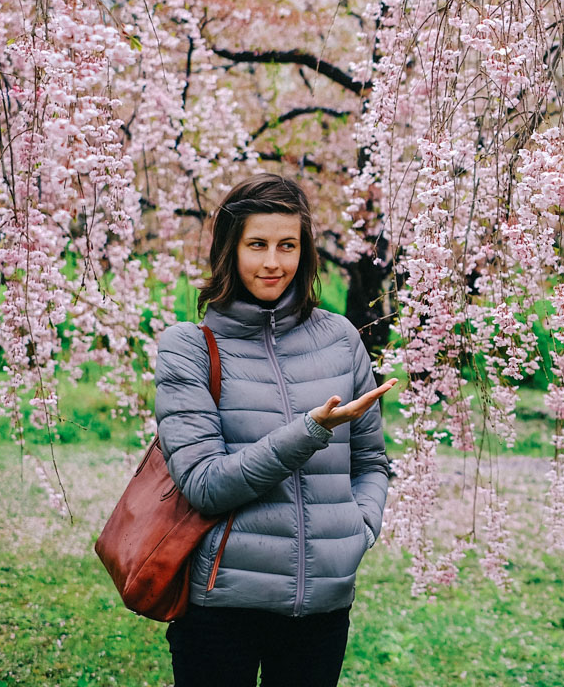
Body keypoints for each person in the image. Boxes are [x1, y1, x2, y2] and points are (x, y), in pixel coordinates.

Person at [155, 173, 396, 687]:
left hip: (322, 612)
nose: (273, 262)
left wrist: (360, 530)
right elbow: (204, 485)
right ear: (230, 249)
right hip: (221, 609)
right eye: (257, 245)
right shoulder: (189, 347)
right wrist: (310, 430)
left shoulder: (339, 339)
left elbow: (371, 462)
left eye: (288, 246)